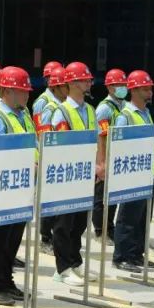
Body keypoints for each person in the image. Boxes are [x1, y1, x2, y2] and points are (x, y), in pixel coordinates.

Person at [0, 66, 35, 305]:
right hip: (2, 190)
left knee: (12, 240)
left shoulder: (23, 114)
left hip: (21, 188)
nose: (27, 95)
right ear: (7, 91)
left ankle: (6, 281)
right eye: (22, 91)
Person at [49, 62, 98, 286]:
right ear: (73, 83)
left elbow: (96, 139)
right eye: (85, 79)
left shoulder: (89, 110)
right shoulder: (61, 112)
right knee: (63, 224)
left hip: (84, 174)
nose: (89, 82)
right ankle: (63, 268)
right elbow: (62, 144)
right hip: (67, 175)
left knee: (79, 223)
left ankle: (75, 261)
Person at [112, 70, 154, 273]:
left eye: (150, 88)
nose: (150, 92)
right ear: (134, 90)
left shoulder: (146, 113)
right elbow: (118, 147)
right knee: (128, 218)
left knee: (143, 218)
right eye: (146, 88)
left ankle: (136, 254)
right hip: (132, 175)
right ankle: (121, 256)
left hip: (149, 173)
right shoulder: (125, 116)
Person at [35, 66, 68, 255]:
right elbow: (42, 134)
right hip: (50, 159)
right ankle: (45, 238)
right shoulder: (46, 105)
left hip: (62, 160)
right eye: (64, 85)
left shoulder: (64, 105)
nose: (68, 89)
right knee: (48, 201)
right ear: (55, 87)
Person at [93, 69, 127, 240]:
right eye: (118, 84)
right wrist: (102, 162)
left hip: (119, 158)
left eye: (124, 84)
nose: (122, 87)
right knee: (101, 197)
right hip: (106, 157)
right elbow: (102, 137)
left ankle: (110, 227)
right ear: (109, 87)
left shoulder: (125, 106)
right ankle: (101, 230)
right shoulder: (104, 109)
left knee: (113, 197)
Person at [32, 61, 64, 128]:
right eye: (50, 77)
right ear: (46, 79)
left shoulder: (64, 98)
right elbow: (39, 128)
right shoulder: (42, 101)